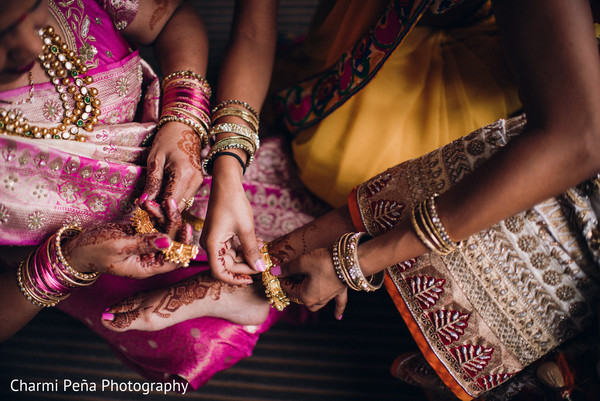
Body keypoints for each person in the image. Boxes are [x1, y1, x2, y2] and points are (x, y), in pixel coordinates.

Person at [103, 0, 600, 399]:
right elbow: (254, 33)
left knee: (460, 180)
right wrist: (228, 168)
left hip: (539, 92)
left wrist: (358, 262)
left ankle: (264, 285)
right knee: (323, 154)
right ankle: (272, 274)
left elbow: (577, 140)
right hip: (371, 49)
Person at [0, 0, 323, 389]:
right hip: (88, 263)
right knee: (197, 343)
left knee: (322, 227)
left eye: (32, 12)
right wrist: (69, 261)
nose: (27, 47)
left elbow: (173, 17)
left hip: (193, 159)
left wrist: (185, 117)